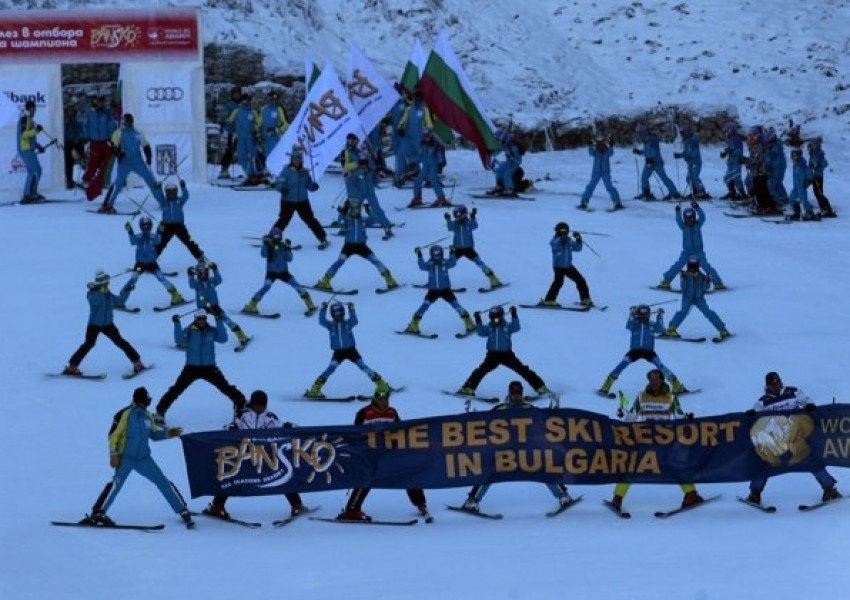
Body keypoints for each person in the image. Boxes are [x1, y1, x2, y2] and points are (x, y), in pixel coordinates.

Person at [81, 387, 194, 528]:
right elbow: (113, 435)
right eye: (144, 401)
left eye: (147, 401)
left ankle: (182, 509)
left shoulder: (148, 416)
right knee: (116, 484)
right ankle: (98, 512)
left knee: (162, 481)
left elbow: (153, 434)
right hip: (125, 458)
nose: (146, 404)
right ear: (137, 400)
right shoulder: (125, 414)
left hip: (144, 459)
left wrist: (168, 433)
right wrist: (114, 454)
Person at [461, 380, 573, 513]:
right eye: (514, 393)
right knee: (489, 471)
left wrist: (554, 411)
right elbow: (485, 422)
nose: (516, 396)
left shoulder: (528, 408)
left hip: (525, 451)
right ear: (509, 393)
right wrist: (472, 415)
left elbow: (544, 421)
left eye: (518, 393)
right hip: (504, 451)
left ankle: (563, 495)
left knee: (545, 467)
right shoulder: (500, 408)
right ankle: (472, 500)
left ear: (522, 393)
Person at [609, 369, 704, 511]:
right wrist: (623, 414)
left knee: (678, 464)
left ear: (662, 380)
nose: (653, 382)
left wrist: (687, 418)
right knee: (632, 465)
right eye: (651, 379)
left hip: (665, 438)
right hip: (645, 437)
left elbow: (679, 416)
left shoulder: (671, 397)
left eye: (656, 379)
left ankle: (690, 494)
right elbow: (632, 417)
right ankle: (617, 498)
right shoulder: (641, 396)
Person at [205, 390, 307, 520]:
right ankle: (217, 506)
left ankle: (296, 505)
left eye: (262, 405)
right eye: (257, 405)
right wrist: (231, 428)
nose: (259, 408)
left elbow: (280, 427)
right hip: (245, 456)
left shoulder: (270, 417)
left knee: (281, 476)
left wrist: (289, 426)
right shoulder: (243, 415)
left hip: (265, 456)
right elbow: (229, 427)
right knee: (230, 478)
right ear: (252, 404)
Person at [744, 372, 841, 506]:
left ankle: (829, 489)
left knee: (811, 459)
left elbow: (806, 399)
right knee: (765, 463)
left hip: (797, 435)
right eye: (773, 384)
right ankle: (755, 493)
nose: (776, 386)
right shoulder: (764, 400)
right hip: (778, 439)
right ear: (768, 386)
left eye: (778, 383)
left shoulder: (792, 391)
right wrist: (751, 414)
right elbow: (755, 411)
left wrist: (809, 405)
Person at [337, 387, 428, 521]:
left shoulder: (392, 412)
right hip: (370, 453)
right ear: (375, 399)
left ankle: (420, 503)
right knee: (367, 477)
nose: (383, 402)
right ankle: (352, 509)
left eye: (385, 399)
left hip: (389, 451)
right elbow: (356, 433)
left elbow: (399, 430)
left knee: (408, 471)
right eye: (380, 399)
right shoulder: (364, 413)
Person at [155, 309, 247, 423]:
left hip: (209, 367)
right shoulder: (189, 331)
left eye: (203, 318)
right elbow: (179, 341)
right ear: (195, 319)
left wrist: (218, 320)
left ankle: (242, 404)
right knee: (176, 389)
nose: (202, 321)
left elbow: (223, 339)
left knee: (225, 387)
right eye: (199, 318)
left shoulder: (211, 331)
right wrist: (177, 324)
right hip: (191, 367)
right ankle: (160, 412)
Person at [63, 270, 145, 376]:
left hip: (108, 324)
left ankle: (137, 362)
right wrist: (95, 289)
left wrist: (128, 288)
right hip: (94, 324)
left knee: (121, 342)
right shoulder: (94, 294)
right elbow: (93, 300)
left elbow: (120, 301)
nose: (108, 284)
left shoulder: (107, 294)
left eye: (108, 282)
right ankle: (72, 367)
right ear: (101, 283)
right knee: (88, 344)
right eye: (106, 282)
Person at [457, 306, 552, 396]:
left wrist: (514, 314)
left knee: (523, 370)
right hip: (492, 355)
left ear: (502, 316)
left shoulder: (506, 326)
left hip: (507, 354)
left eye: (497, 317)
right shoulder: (490, 327)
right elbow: (481, 333)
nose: (495, 320)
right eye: (492, 317)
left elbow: (516, 327)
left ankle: (540, 387)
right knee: (480, 371)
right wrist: (478, 319)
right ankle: (468, 388)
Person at [598, 304, 688, 395]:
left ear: (649, 315)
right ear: (638, 315)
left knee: (659, 364)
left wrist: (660, 316)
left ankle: (677, 385)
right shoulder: (635, 324)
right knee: (623, 363)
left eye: (646, 315)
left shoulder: (651, 325)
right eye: (641, 315)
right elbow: (628, 325)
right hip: (634, 351)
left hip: (649, 351)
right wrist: (631, 314)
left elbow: (660, 329)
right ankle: (606, 385)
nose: (643, 317)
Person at [305, 302, 389, 399]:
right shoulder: (330, 325)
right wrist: (323, 309)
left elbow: (355, 320)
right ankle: (315, 389)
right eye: (336, 313)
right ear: (332, 314)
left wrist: (351, 309)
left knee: (363, 366)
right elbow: (322, 321)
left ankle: (382, 384)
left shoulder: (348, 323)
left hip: (351, 351)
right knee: (331, 368)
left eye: (340, 312)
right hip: (338, 352)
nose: (338, 314)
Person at [313, 197, 398, 292]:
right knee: (340, 261)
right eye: (353, 209)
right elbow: (340, 222)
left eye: (358, 209)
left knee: (375, 260)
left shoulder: (363, 220)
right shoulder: (347, 219)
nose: (356, 211)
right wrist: (342, 212)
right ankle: (325, 281)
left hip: (361, 246)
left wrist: (369, 211)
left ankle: (390, 280)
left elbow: (374, 220)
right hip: (349, 246)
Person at [402, 245, 476, 335]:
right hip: (433, 291)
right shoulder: (430, 263)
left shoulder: (444, 262)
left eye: (438, 254)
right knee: (424, 306)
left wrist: (452, 252)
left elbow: (453, 263)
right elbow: (422, 267)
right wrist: (419, 255)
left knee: (456, 306)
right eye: (435, 254)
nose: (437, 256)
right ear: (431, 254)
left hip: (445, 290)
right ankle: (413, 325)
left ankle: (469, 323)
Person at [242, 227, 315, 316]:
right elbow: (263, 255)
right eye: (275, 237)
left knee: (297, 285)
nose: (277, 240)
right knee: (266, 287)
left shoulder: (282, 246)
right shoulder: (268, 246)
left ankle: (310, 304)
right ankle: (251, 305)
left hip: (284, 272)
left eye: (278, 238)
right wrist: (265, 244)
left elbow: (290, 259)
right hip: (271, 273)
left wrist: (288, 249)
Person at [100, 113, 164, 214]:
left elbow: (146, 145)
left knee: (150, 180)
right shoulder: (118, 133)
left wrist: (148, 156)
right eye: (127, 122)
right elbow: (113, 147)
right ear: (123, 122)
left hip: (138, 162)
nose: (129, 124)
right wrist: (118, 153)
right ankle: (108, 205)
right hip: (124, 162)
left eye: (130, 122)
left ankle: (163, 202)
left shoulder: (137, 133)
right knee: (118, 184)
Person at [657, 202, 725, 291]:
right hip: (687, 252)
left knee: (706, 266)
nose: (690, 220)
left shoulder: (698, 225)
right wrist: (678, 211)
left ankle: (718, 283)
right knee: (678, 265)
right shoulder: (684, 227)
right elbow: (678, 220)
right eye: (688, 218)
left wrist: (697, 207)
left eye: (692, 218)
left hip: (698, 252)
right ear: (685, 219)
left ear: (694, 217)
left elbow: (703, 217)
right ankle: (666, 280)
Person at [119, 217, 186, 307]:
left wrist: (159, 230)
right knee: (133, 279)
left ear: (151, 226)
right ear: (141, 227)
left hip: (152, 264)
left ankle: (176, 296)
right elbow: (132, 241)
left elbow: (158, 241)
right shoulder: (138, 237)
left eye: (148, 226)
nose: (146, 228)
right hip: (140, 264)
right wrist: (130, 231)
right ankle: (121, 299)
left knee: (161, 278)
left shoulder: (153, 237)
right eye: (144, 226)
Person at [273, 146, 329, 250]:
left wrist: (313, 186)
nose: (297, 160)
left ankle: (322, 237)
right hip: (288, 201)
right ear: (291, 160)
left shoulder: (304, 172)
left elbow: (308, 184)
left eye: (299, 158)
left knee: (310, 219)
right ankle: (272, 236)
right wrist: (282, 189)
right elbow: (278, 184)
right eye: (295, 158)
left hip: (302, 201)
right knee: (283, 220)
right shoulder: (286, 171)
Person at [662, 256, 731, 340]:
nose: (693, 269)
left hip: (699, 298)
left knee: (708, 313)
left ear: (698, 266)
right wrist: (683, 278)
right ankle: (671, 328)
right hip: (687, 298)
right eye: (691, 267)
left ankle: (722, 329)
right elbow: (684, 288)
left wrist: (707, 280)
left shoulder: (701, 276)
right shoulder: (686, 275)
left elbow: (705, 288)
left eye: (694, 267)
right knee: (683, 312)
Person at [187, 261, 250, 348]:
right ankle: (188, 340)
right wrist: (190, 275)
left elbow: (219, 280)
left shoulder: (211, 281)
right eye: (200, 272)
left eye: (204, 271)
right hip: (202, 308)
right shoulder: (197, 284)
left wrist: (215, 269)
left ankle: (241, 336)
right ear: (197, 273)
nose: (203, 274)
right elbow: (191, 285)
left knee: (226, 319)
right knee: (197, 323)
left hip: (214, 306)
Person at [445, 204, 504, 288]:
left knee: (480, 263)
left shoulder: (468, 223)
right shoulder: (455, 224)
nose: (457, 217)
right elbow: (450, 228)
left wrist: (473, 217)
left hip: (469, 249)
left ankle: (494, 279)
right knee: (447, 264)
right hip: (457, 249)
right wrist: (448, 219)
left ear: (464, 214)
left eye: (458, 214)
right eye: (455, 215)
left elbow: (475, 226)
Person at [540, 221, 592, 307]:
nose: (564, 232)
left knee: (581, 280)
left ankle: (585, 299)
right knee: (558, 282)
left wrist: (578, 239)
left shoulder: (568, 240)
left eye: (565, 230)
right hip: (558, 267)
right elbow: (554, 245)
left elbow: (578, 248)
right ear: (558, 231)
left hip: (568, 266)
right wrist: (562, 239)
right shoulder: (555, 240)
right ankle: (549, 300)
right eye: (562, 230)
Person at [153, 180, 206, 261]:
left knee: (188, 240)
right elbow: (158, 196)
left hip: (179, 226)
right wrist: (158, 188)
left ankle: (199, 255)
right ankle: (151, 258)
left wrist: (183, 186)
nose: (171, 194)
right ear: (166, 193)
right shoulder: (164, 202)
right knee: (160, 242)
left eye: (173, 192)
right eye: (169, 192)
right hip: (166, 225)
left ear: (176, 192)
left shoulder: (179, 201)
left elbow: (186, 196)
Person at [346, 151, 394, 238]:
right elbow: (351, 183)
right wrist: (353, 194)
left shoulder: (371, 170)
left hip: (370, 193)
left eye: (365, 162)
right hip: (359, 194)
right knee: (355, 210)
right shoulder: (355, 171)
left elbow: (375, 180)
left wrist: (379, 177)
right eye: (361, 162)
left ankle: (386, 227)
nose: (363, 164)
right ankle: (352, 228)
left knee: (377, 209)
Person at [81, 94, 117, 200]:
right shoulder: (89, 112)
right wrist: (85, 136)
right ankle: (86, 179)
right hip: (95, 141)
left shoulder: (106, 112)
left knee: (107, 162)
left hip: (105, 141)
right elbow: (85, 125)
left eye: (102, 102)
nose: (100, 104)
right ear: (95, 102)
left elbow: (111, 125)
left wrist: (112, 137)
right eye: (98, 102)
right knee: (94, 162)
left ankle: (102, 182)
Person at [632, 126, 679, 200]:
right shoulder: (646, 141)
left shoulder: (653, 140)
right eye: (640, 134)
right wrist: (639, 152)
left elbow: (655, 151)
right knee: (644, 177)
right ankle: (646, 193)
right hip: (649, 163)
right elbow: (647, 151)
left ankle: (674, 193)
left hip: (657, 163)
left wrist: (651, 159)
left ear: (646, 133)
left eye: (642, 133)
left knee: (664, 178)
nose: (641, 135)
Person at [227, 93, 264, 186]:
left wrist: (255, 127)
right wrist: (229, 128)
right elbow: (229, 121)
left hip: (250, 138)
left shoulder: (253, 112)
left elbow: (259, 123)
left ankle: (256, 175)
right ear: (241, 101)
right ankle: (249, 175)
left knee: (253, 157)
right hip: (240, 138)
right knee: (242, 157)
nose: (246, 102)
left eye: (248, 100)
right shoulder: (237, 111)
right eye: (244, 100)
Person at [743, 127, 780, 215]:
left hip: (761, 172)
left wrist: (746, 161)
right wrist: (746, 160)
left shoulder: (758, 147)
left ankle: (770, 206)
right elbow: (753, 159)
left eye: (752, 138)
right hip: (757, 172)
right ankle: (763, 206)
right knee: (758, 190)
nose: (750, 140)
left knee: (762, 190)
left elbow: (756, 160)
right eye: (749, 138)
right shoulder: (754, 147)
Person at [579, 135, 622, 210]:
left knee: (609, 187)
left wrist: (611, 145)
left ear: (604, 144)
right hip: (596, 173)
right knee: (590, 187)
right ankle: (584, 202)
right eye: (599, 144)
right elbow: (591, 152)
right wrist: (590, 145)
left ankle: (617, 202)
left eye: (602, 144)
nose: (600, 146)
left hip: (605, 173)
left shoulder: (607, 151)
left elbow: (611, 153)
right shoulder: (595, 152)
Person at [409, 128, 448, 207]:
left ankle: (441, 198)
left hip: (433, 166)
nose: (426, 138)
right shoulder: (423, 144)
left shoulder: (436, 145)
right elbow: (420, 155)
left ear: (431, 136)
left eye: (427, 136)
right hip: (425, 166)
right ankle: (417, 198)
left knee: (434, 182)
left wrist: (440, 164)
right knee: (417, 181)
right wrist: (413, 162)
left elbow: (440, 156)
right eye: (425, 136)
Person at [17, 99, 45, 203]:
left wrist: (38, 146)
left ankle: (33, 193)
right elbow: (24, 135)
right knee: (33, 171)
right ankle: (27, 195)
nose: (34, 111)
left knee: (38, 170)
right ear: (28, 109)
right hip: (25, 149)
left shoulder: (30, 120)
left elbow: (31, 138)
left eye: (35, 109)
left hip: (30, 149)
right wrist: (36, 130)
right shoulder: (24, 119)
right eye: (33, 109)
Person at [673, 124, 709, 199]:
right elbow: (686, 152)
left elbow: (693, 153)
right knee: (689, 178)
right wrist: (679, 155)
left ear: (687, 132)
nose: (682, 135)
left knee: (694, 177)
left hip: (695, 162)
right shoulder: (687, 141)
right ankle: (695, 192)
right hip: (691, 163)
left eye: (683, 133)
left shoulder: (692, 140)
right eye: (681, 133)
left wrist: (688, 157)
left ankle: (701, 191)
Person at [390, 83, 414, 187]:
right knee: (399, 154)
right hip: (396, 133)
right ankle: (401, 174)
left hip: (403, 133)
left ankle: (400, 175)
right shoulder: (393, 104)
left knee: (402, 155)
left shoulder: (403, 104)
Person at [488, 130, 524, 197]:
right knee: (499, 171)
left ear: (502, 138)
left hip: (514, 162)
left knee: (507, 174)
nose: (498, 141)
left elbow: (517, 157)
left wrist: (511, 155)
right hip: (508, 161)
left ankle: (509, 189)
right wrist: (491, 152)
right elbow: (500, 149)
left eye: (498, 139)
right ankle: (499, 187)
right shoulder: (505, 143)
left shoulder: (512, 144)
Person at [807, 138, 836, 218]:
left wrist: (818, 165)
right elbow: (811, 163)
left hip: (818, 176)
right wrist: (810, 167)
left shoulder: (820, 154)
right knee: (816, 192)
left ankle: (827, 209)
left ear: (818, 145)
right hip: (813, 176)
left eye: (814, 145)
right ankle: (823, 208)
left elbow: (825, 163)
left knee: (819, 193)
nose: (813, 146)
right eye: (812, 145)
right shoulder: (813, 154)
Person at [787, 148, 818, 221]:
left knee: (804, 200)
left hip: (802, 187)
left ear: (799, 156)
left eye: (795, 156)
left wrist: (808, 181)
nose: (793, 157)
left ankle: (810, 212)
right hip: (796, 187)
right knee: (792, 199)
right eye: (792, 156)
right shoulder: (795, 165)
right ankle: (797, 213)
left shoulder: (803, 166)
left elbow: (810, 174)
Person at [217, 87, 241, 179]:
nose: (237, 95)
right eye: (235, 94)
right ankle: (224, 169)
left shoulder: (243, 104)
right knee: (230, 151)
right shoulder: (229, 105)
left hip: (242, 132)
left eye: (238, 94)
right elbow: (224, 117)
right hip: (232, 132)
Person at [719, 123, 747, 200]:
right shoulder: (730, 139)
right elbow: (729, 149)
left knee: (736, 177)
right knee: (728, 177)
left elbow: (733, 148)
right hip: (731, 162)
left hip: (736, 162)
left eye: (726, 131)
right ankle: (732, 192)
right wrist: (725, 153)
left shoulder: (736, 139)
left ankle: (742, 194)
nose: (726, 133)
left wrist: (726, 152)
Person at [259, 90, 289, 160]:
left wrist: (277, 130)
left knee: (275, 155)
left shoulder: (279, 109)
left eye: (274, 99)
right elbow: (259, 123)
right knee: (267, 155)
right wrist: (258, 132)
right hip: (265, 138)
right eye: (270, 99)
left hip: (275, 137)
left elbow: (286, 124)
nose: (272, 101)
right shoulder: (263, 109)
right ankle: (267, 169)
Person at [63, 101, 86, 190]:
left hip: (77, 141)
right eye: (69, 110)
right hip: (68, 143)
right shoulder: (65, 120)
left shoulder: (77, 118)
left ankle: (85, 178)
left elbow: (81, 127)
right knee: (69, 163)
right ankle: (69, 181)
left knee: (82, 159)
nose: (71, 112)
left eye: (72, 110)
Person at [765, 127, 788, 207]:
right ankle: (784, 197)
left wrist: (770, 165)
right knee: (778, 183)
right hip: (779, 166)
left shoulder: (775, 146)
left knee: (772, 184)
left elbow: (774, 157)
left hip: (777, 167)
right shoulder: (774, 144)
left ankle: (777, 200)